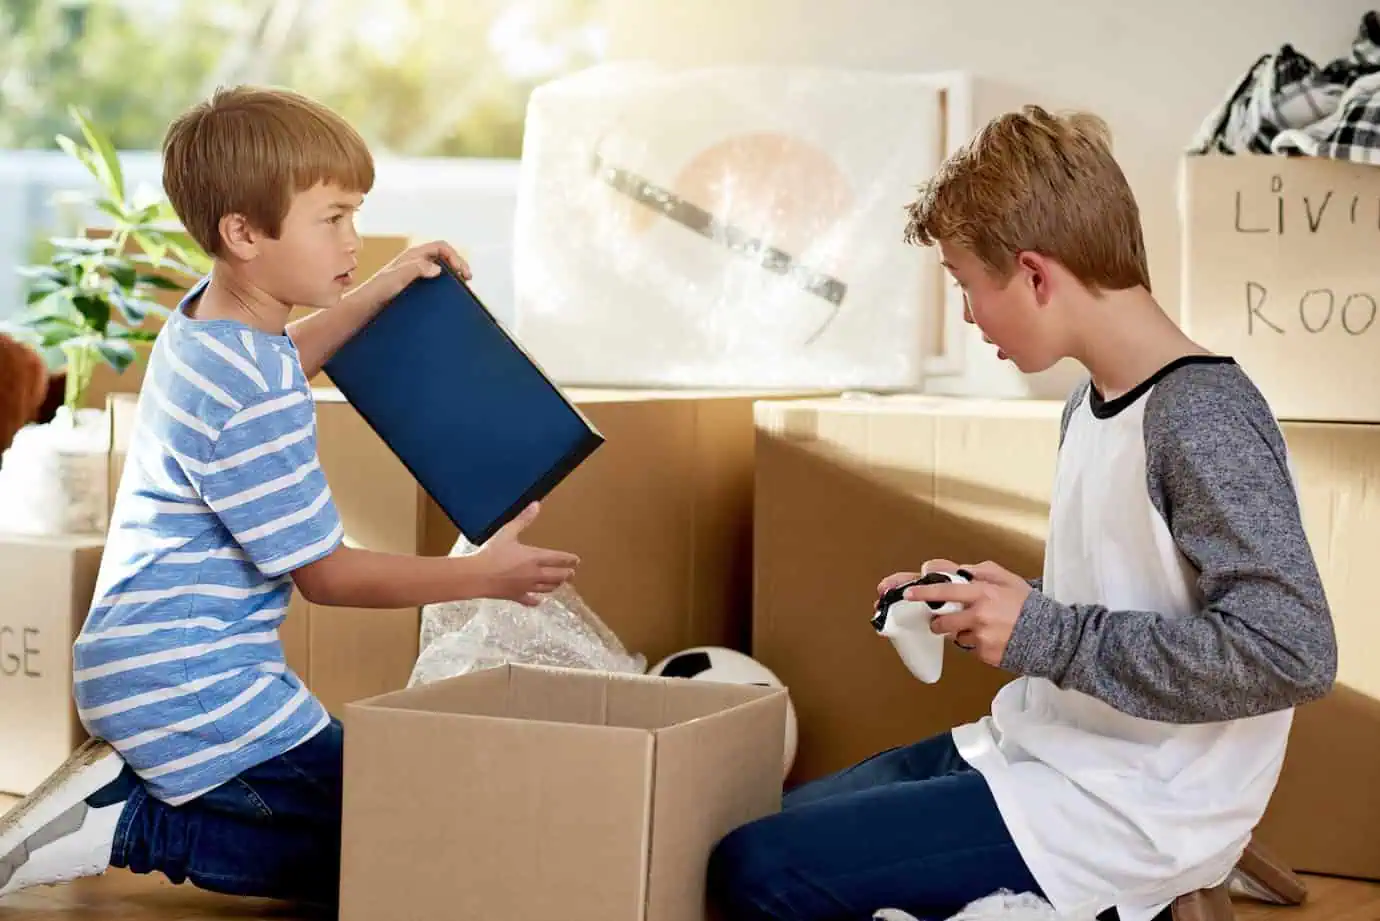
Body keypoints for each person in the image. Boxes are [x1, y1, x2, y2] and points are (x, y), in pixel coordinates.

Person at [706, 105, 1337, 921]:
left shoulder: (1200, 414)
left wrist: (1045, 631)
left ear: (1036, 275)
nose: (969, 317)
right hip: (1040, 752)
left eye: (967, 285)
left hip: (1129, 812)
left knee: (756, 869)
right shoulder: (1092, 401)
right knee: (740, 827)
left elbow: (1292, 649)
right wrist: (980, 599)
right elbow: (1138, 587)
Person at [0, 85, 580, 908]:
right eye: (333, 217)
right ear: (244, 233)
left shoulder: (208, 328)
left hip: (151, 660)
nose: (353, 238)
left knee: (386, 828)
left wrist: (379, 289)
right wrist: (481, 574)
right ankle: (128, 826)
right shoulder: (253, 396)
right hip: (199, 680)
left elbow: (283, 359)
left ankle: (132, 796)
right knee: (398, 846)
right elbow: (327, 576)